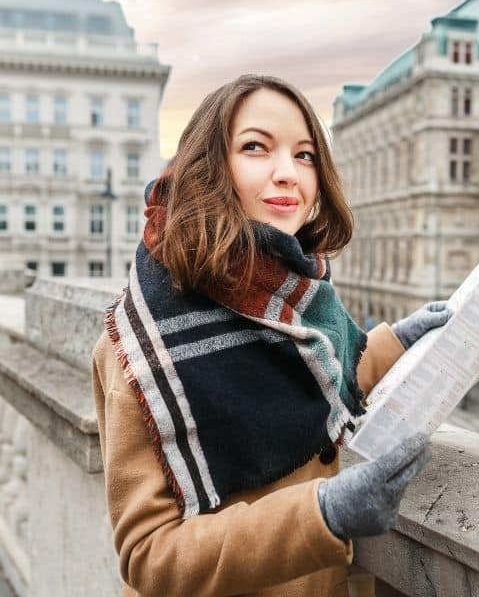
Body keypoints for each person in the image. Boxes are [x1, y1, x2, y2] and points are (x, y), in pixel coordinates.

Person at [91, 74, 451, 596]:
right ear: (208, 168)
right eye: (256, 147)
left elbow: (313, 381)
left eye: (305, 155)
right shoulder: (143, 350)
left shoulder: (293, 293)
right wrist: (322, 514)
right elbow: (150, 556)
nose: (288, 173)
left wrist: (400, 340)